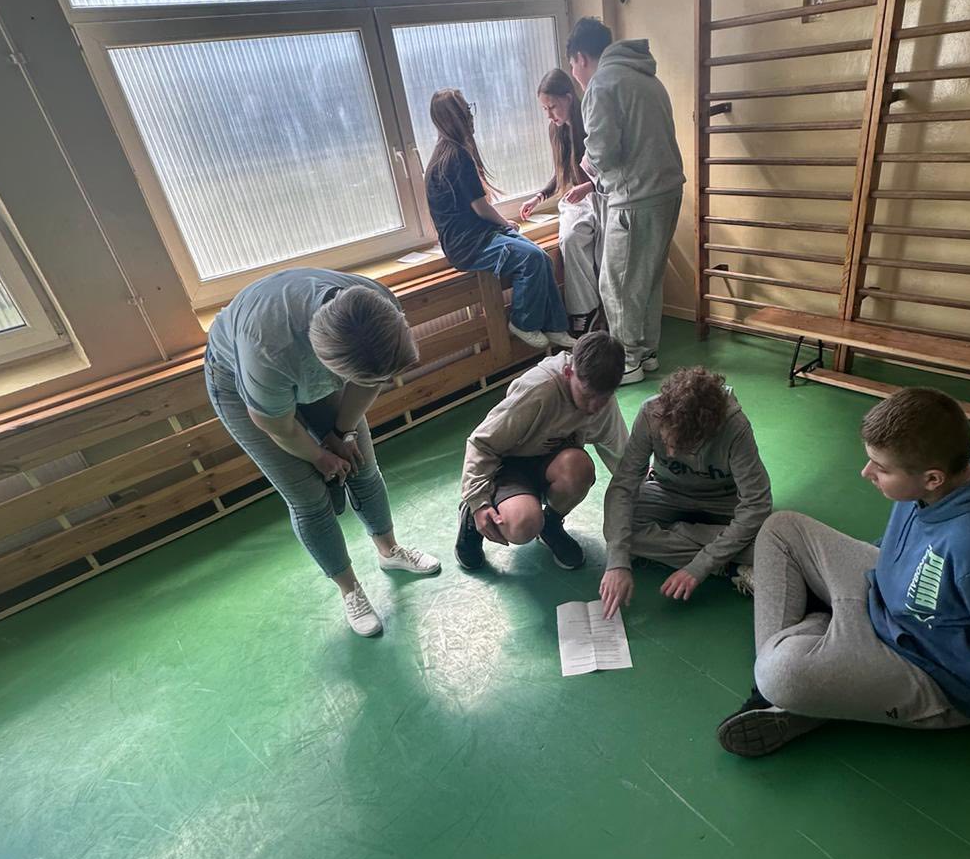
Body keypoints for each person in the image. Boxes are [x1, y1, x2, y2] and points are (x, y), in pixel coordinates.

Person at [716, 387, 970, 785]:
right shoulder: (944, 475)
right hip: (885, 596)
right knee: (780, 528)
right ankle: (813, 672)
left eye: (880, 468)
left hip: (931, 669)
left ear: (932, 478)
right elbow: (906, 545)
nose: (866, 473)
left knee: (780, 674)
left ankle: (791, 687)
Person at [205, 270, 441, 637]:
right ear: (327, 365)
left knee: (362, 465)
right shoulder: (268, 353)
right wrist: (320, 456)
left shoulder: (376, 304)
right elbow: (280, 427)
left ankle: (389, 551)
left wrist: (342, 433)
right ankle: (349, 589)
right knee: (308, 497)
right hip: (241, 384)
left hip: (308, 353)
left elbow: (371, 380)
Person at [567, 16, 685, 385]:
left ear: (581, 57)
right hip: (667, 191)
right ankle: (646, 352)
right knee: (647, 279)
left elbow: (604, 152)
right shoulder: (646, 77)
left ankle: (627, 361)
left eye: (572, 66)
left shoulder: (603, 83)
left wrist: (588, 163)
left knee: (617, 284)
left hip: (635, 198)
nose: (574, 74)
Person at [599, 366, 772, 615]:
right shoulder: (650, 412)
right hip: (667, 492)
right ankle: (730, 566)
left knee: (769, 545)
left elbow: (756, 504)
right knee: (620, 528)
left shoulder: (734, 426)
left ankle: (687, 539)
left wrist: (699, 567)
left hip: (723, 503)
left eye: (681, 447)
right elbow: (623, 486)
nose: (670, 453)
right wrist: (617, 562)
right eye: (666, 442)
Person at [455, 331, 627, 573]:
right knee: (523, 524)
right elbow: (481, 443)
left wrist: (645, 491)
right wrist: (477, 502)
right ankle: (471, 519)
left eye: (604, 398)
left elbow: (622, 456)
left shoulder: (601, 397)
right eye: (587, 396)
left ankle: (551, 525)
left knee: (580, 468)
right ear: (569, 373)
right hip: (507, 465)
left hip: (548, 462)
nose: (594, 407)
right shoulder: (538, 390)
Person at [424, 88, 573, 352]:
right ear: (453, 118)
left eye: (468, 109)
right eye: (465, 111)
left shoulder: (454, 152)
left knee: (541, 256)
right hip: (468, 245)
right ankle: (522, 322)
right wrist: (505, 223)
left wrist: (502, 225)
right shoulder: (455, 156)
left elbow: (478, 209)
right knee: (531, 259)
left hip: (479, 234)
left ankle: (555, 326)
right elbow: (480, 207)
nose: (470, 116)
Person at [519, 69, 602, 338]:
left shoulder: (590, 122)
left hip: (600, 195)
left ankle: (596, 312)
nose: (549, 115)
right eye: (544, 109)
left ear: (568, 97)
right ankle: (584, 312)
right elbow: (561, 171)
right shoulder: (555, 130)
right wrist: (539, 196)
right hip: (577, 200)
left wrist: (589, 187)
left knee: (601, 252)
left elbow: (608, 168)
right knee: (570, 239)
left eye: (552, 107)